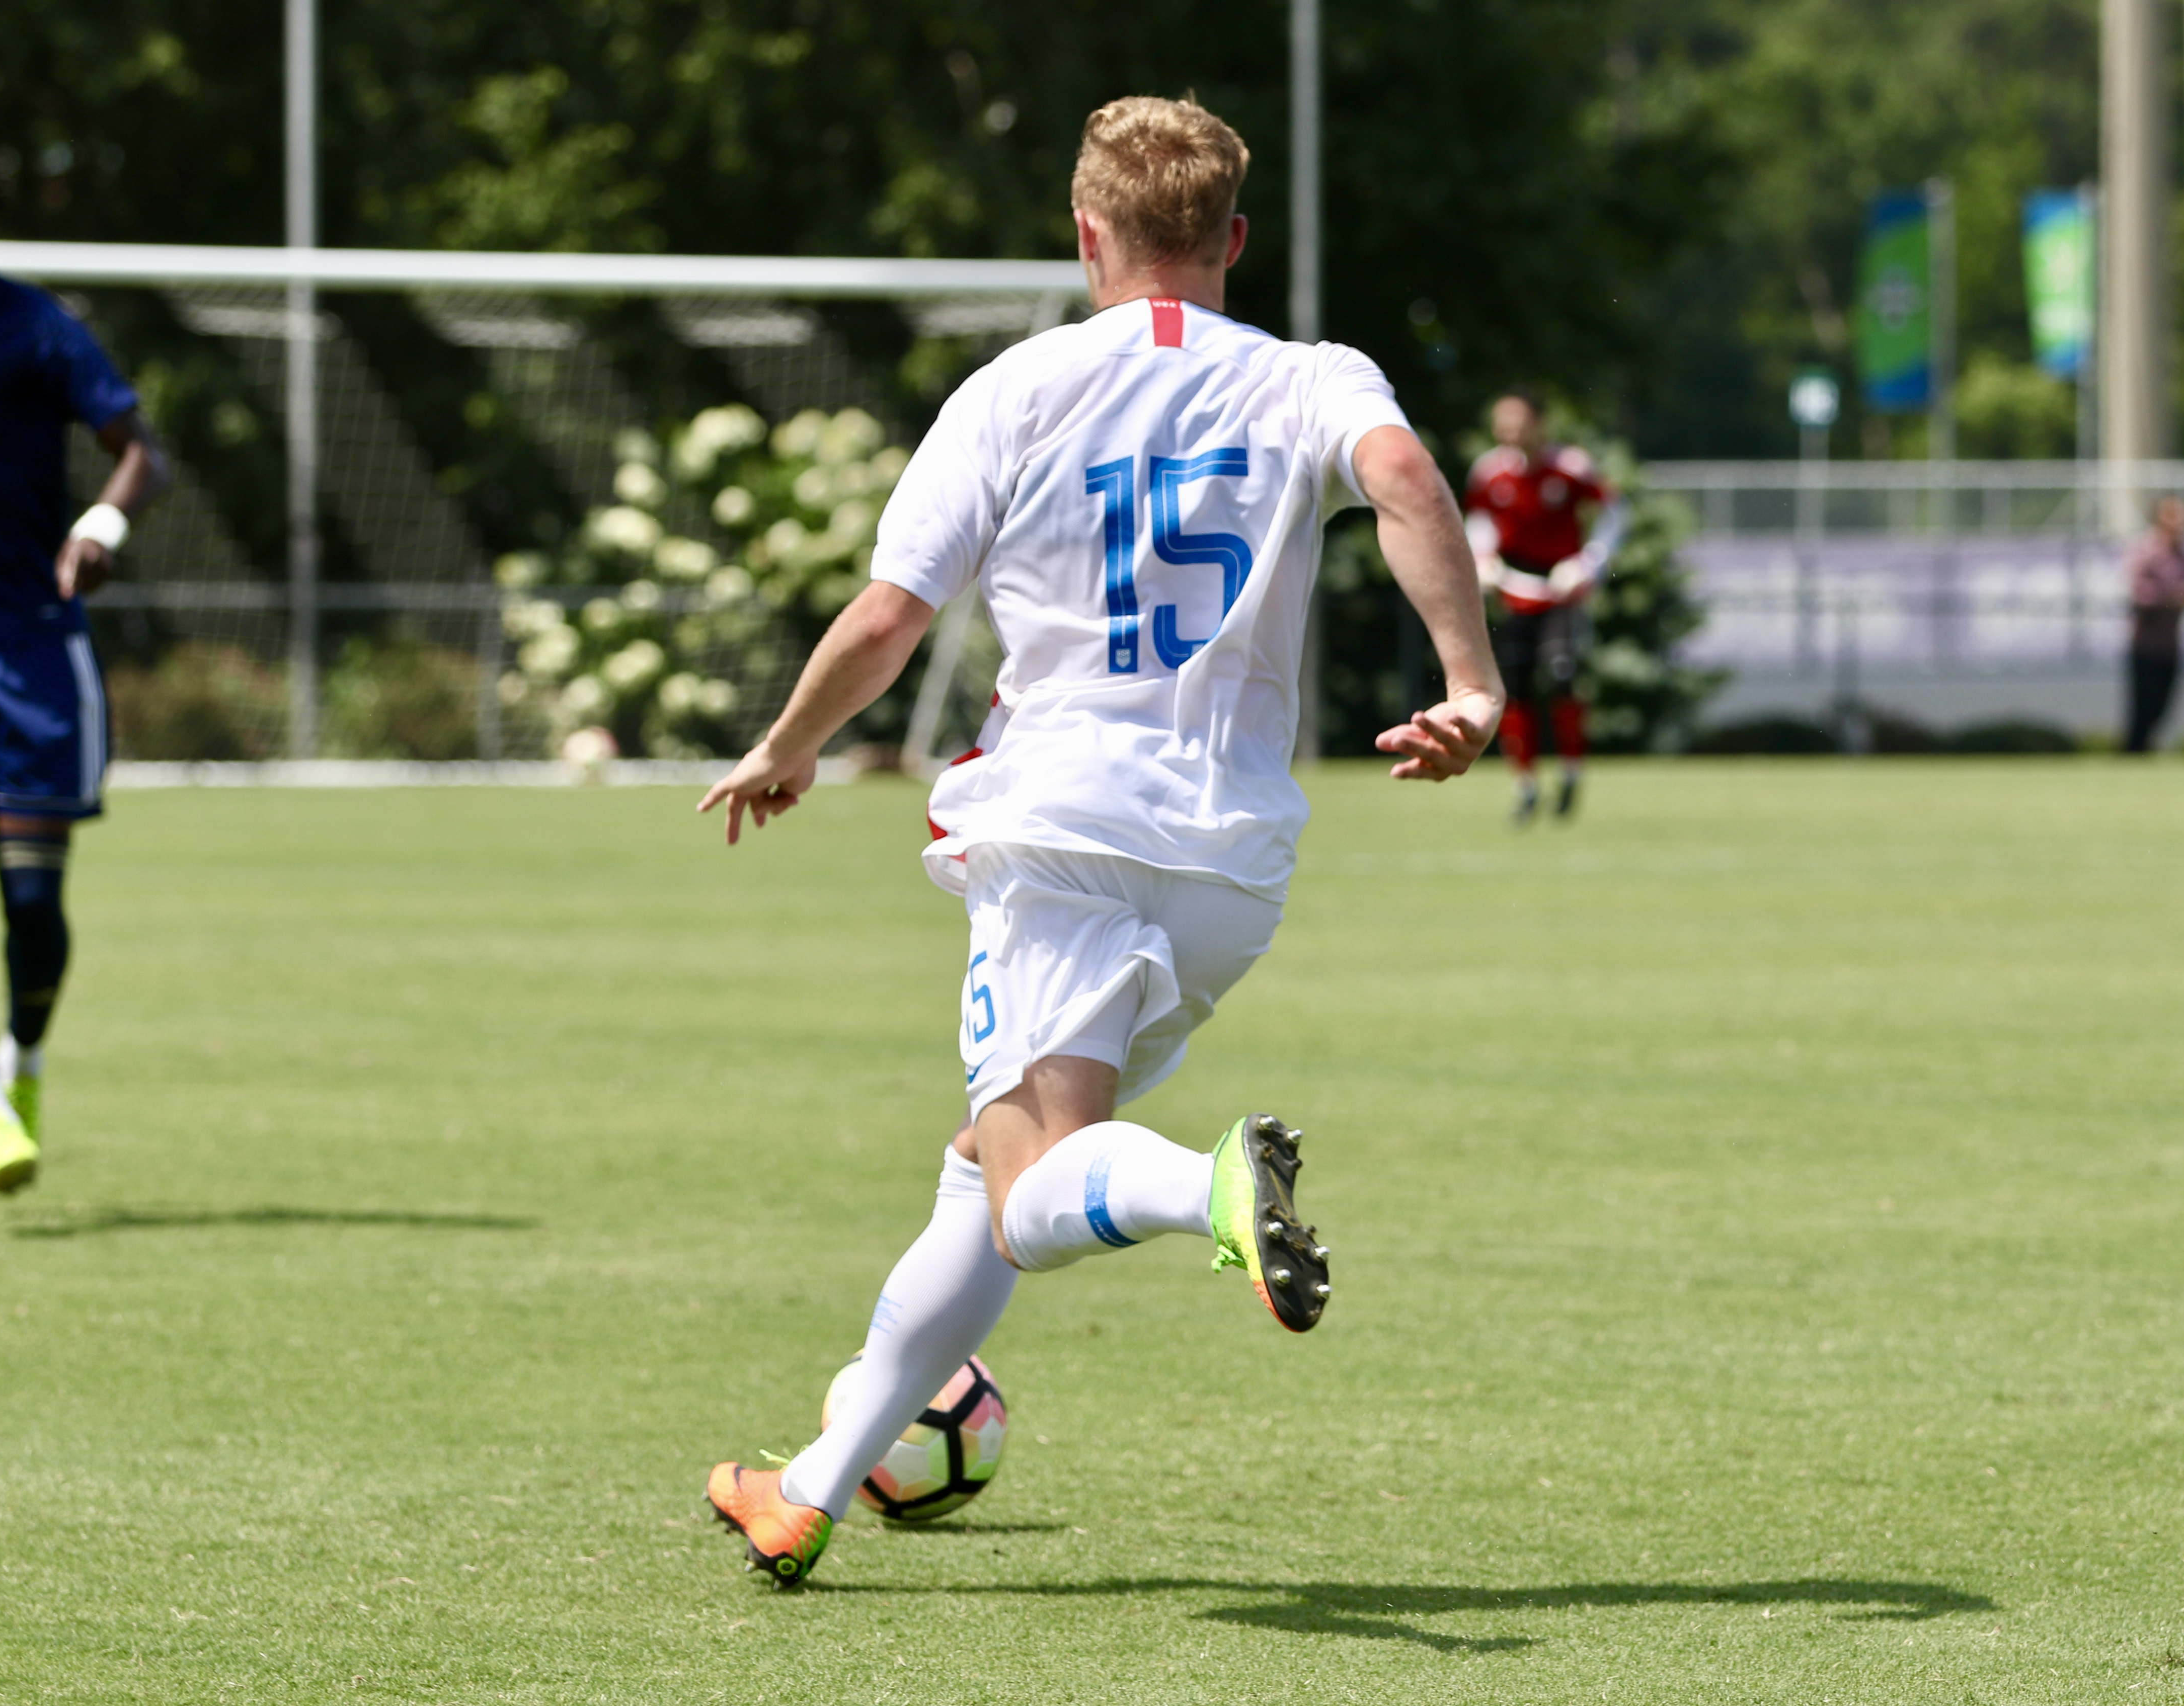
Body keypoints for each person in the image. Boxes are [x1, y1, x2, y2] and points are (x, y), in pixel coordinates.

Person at [694, 95, 1504, 1583]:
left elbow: (891, 613)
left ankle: (1205, 1188)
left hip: (1061, 830)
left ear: (1085, 236)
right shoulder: (1314, 379)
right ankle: (808, 1483)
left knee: (1032, 1185)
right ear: (1233, 240)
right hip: (1231, 861)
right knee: (980, 1178)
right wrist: (1468, 682)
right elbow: (1402, 481)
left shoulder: (1013, 390)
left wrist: (787, 744)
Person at [0, 136, 170, 1192]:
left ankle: (27, 1064)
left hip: (32, 644)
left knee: (30, 904)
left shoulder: (31, 328)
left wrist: (104, 527)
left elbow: (140, 449)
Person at [1463, 391, 1622, 821]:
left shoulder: (1571, 467)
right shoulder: (1489, 471)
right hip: (1514, 590)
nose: (1510, 432)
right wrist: (1484, 559)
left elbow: (1612, 513)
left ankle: (1571, 773)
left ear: (1539, 424)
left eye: (1518, 422)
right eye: (1503, 423)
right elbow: (1478, 521)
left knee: (1561, 673)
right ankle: (1525, 785)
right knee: (1515, 685)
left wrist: (1588, 564)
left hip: (1561, 591)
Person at [2123, 495, 2184, 753]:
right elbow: (2137, 592)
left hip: (2171, 644)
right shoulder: (2147, 550)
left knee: (2163, 708)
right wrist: (2170, 598)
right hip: (2146, 644)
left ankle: (2144, 751)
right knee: (2143, 708)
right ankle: (2133, 755)